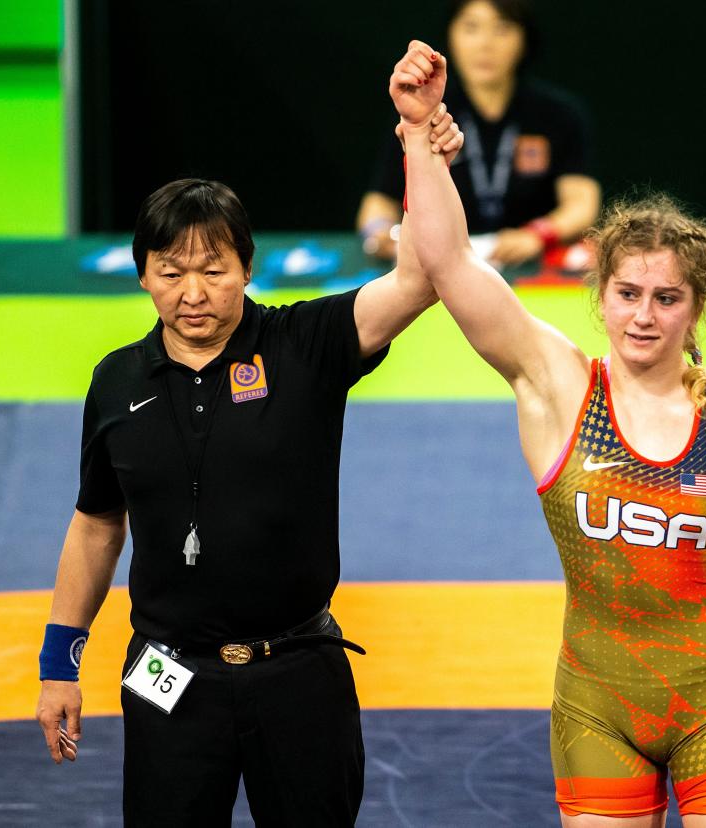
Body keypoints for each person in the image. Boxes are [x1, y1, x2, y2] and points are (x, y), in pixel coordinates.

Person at [392, 42, 706, 826]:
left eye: (666, 298)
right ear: (601, 296)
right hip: (596, 711)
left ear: (695, 310)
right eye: (627, 292)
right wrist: (419, 133)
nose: (642, 314)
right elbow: (449, 263)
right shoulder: (560, 387)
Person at [33, 84, 464, 824]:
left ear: (246, 268)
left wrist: (420, 143)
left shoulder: (306, 345)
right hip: (168, 675)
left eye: (214, 269)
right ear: (141, 275)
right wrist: (57, 666)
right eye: (171, 272)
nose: (192, 292)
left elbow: (423, 277)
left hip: (298, 672)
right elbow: (97, 525)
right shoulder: (116, 382)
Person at [357, 0, 600, 267]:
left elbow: (582, 203)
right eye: (471, 27)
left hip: (528, 266)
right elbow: (378, 203)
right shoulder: (422, 110)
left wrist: (536, 235)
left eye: (502, 29)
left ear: (524, 39)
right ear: (451, 34)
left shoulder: (559, 113)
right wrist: (382, 234)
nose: (485, 44)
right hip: (441, 266)